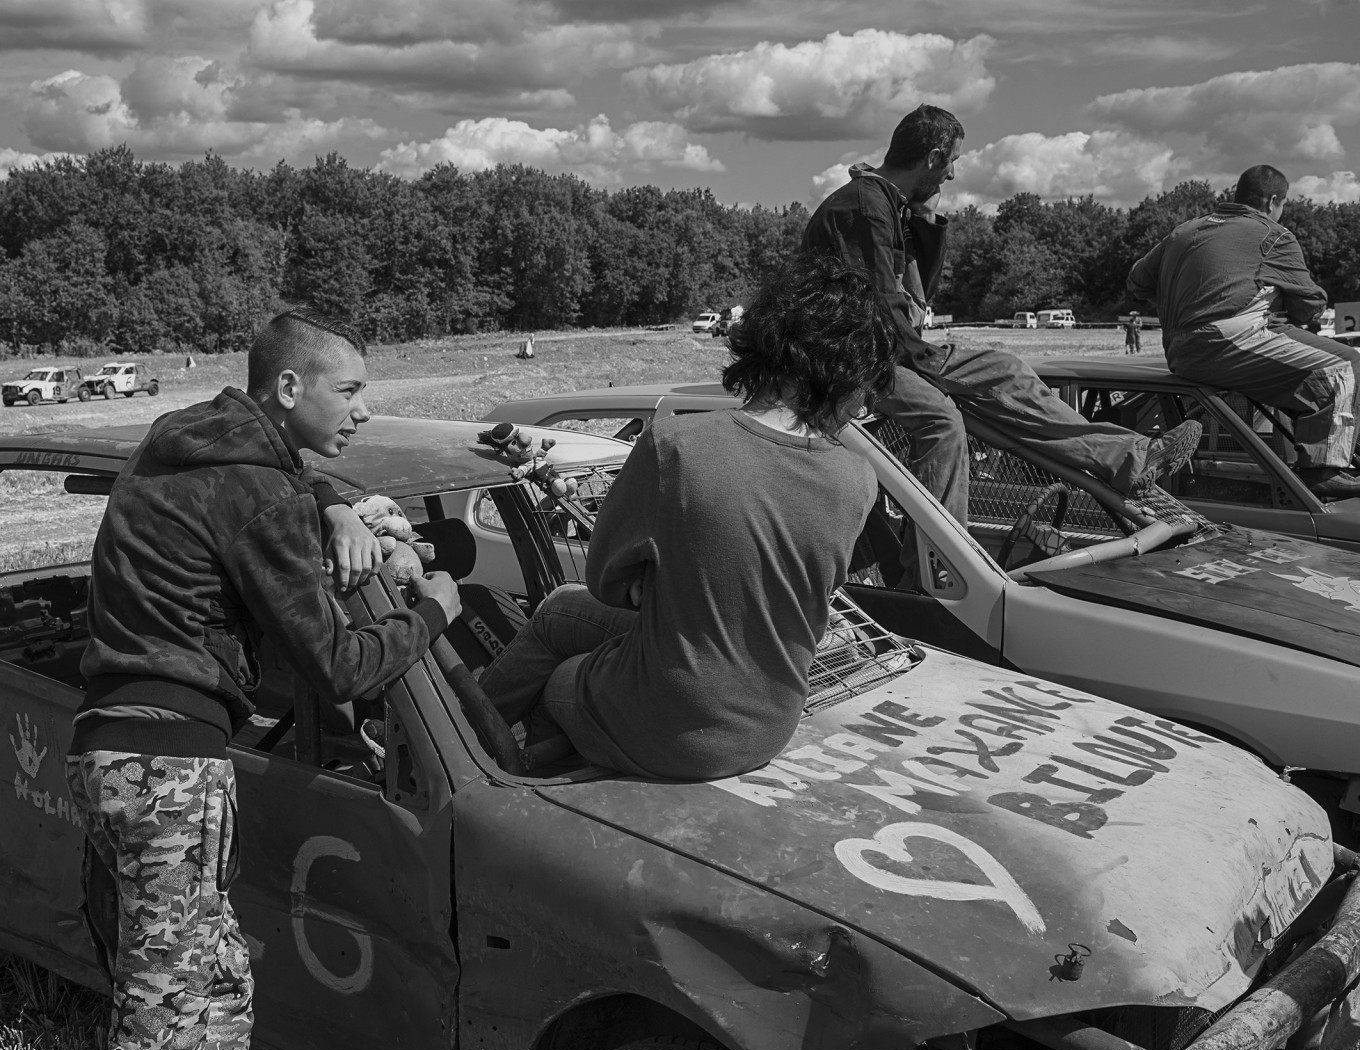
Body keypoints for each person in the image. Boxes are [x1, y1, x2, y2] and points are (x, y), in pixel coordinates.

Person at [69, 308, 462, 1050]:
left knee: (214, 988)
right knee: (165, 1020)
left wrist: (335, 502)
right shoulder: (265, 498)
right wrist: (434, 612)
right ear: (288, 385)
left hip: (106, 749)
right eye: (348, 390)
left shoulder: (176, 440)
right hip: (172, 770)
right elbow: (340, 666)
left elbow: (275, 473)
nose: (364, 408)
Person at [477, 254, 893, 780]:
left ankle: (473, 758)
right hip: (768, 726)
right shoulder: (857, 479)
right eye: (867, 385)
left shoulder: (676, 446)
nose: (864, 402)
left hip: (675, 730)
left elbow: (606, 583)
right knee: (561, 608)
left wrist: (662, 581)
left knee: (561, 675)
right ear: (841, 374)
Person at [801, 104, 1202, 525]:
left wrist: (926, 221)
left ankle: (1131, 459)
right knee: (945, 420)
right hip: (853, 357)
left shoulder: (886, 204)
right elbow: (878, 309)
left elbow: (919, 298)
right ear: (934, 158)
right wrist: (929, 362)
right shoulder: (865, 207)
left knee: (1003, 375)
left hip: (882, 348)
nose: (952, 176)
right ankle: (939, 564)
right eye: (952, 162)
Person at [1128, 165, 1360, 499]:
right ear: (1272, 201)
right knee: (1345, 364)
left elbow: (1137, 282)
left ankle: (1306, 429)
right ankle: (1323, 472)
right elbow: (1308, 305)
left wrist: (1181, 302)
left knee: (1305, 382)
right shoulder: (1274, 235)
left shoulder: (1183, 231)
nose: (1281, 213)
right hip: (1226, 343)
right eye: (1283, 206)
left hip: (1178, 351)